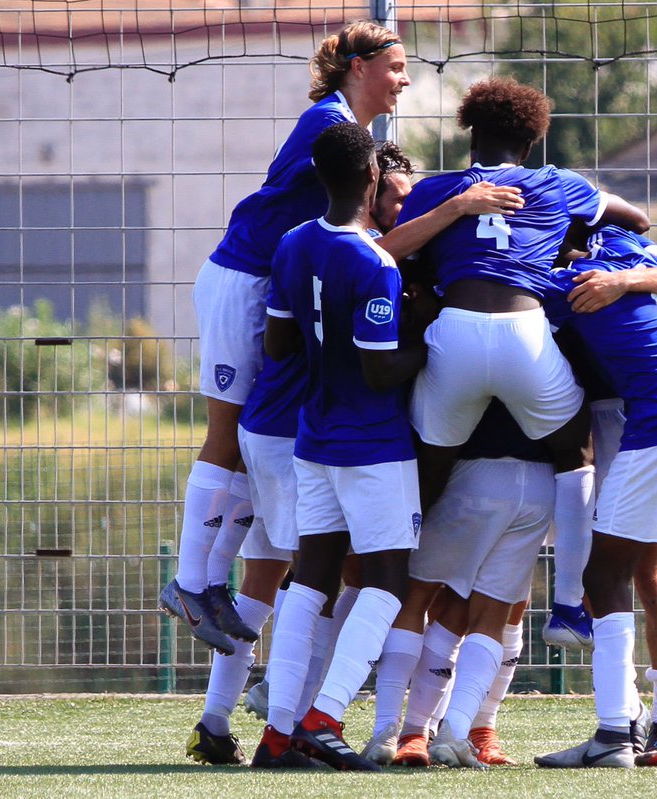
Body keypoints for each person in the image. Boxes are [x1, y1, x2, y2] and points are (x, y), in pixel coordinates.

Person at [161, 21, 522, 656]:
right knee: (227, 433)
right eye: (396, 65)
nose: (405, 79)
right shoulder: (330, 125)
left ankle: (217, 615)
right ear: (357, 67)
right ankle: (192, 583)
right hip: (243, 277)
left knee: (251, 447)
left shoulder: (350, 132)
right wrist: (456, 208)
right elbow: (360, 240)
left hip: (267, 285)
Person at [393, 76, 650, 655]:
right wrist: (573, 239)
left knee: (428, 470)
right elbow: (637, 220)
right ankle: (566, 608)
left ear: (470, 133)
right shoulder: (560, 185)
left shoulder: (436, 190)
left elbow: (395, 248)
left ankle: (381, 583)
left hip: (451, 334)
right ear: (533, 142)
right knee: (574, 449)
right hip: (524, 333)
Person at [253, 122, 428, 772]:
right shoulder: (375, 261)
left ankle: (278, 734)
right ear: (371, 179)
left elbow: (276, 346)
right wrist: (429, 336)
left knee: (312, 582)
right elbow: (382, 367)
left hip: (314, 437)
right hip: (373, 445)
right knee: (387, 579)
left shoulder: (292, 245)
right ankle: (325, 716)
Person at [533, 224, 657, 769]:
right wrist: (626, 280)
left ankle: (613, 735)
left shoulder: (565, 282)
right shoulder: (628, 246)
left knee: (603, 577)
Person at [361, 400, 553, 768]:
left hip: (470, 470)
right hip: (537, 476)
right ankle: (446, 732)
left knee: (422, 596)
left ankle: (409, 731)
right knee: (486, 610)